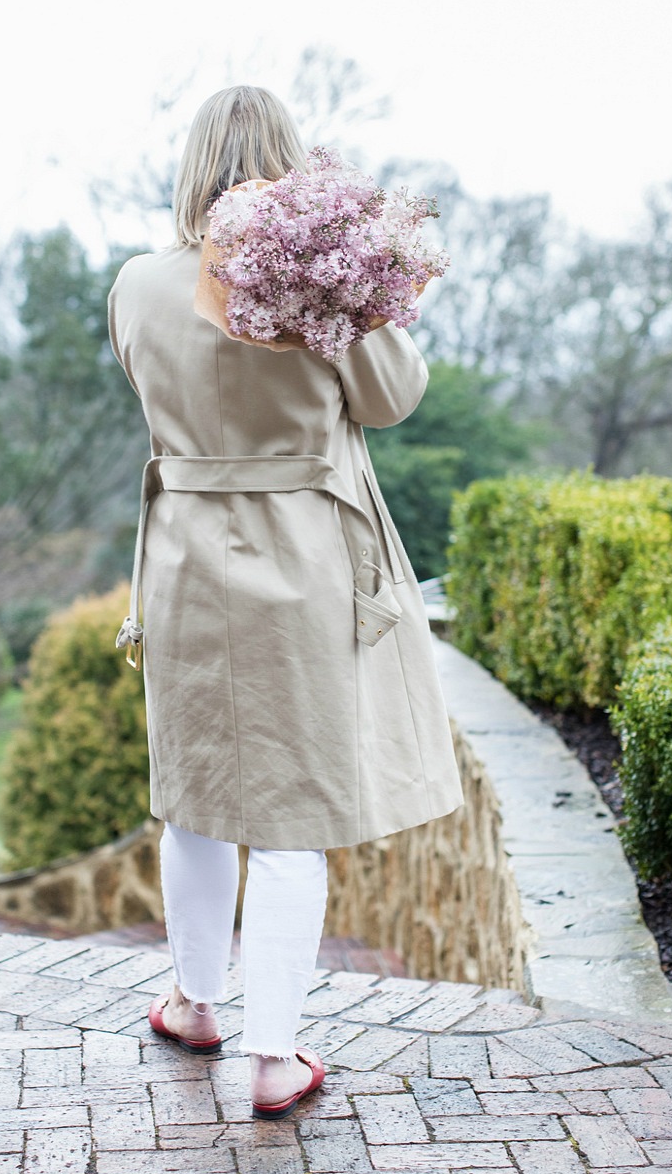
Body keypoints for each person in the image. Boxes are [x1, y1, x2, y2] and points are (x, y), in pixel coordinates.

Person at [107, 85, 463, 1118]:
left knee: (196, 792)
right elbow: (394, 400)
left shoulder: (138, 285)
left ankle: (194, 1002)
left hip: (182, 562)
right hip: (300, 559)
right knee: (293, 809)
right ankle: (273, 1055)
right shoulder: (315, 288)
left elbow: (151, 380)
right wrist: (361, 300)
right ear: (294, 168)